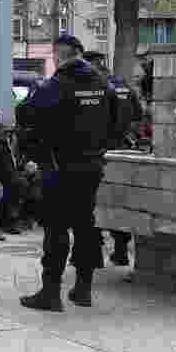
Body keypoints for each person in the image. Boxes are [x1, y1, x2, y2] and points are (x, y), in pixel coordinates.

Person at [17, 34, 119, 312]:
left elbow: (25, 115)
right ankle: (83, 289)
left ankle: (50, 293)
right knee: (86, 225)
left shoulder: (55, 85)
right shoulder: (102, 84)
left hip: (60, 166)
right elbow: (119, 121)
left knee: (56, 228)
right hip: (92, 165)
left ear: (58, 55)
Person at [84, 51, 144, 265]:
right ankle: (120, 250)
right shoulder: (122, 85)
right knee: (119, 202)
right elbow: (138, 113)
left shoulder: (92, 86)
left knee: (92, 203)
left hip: (96, 152)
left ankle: (93, 253)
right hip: (122, 151)